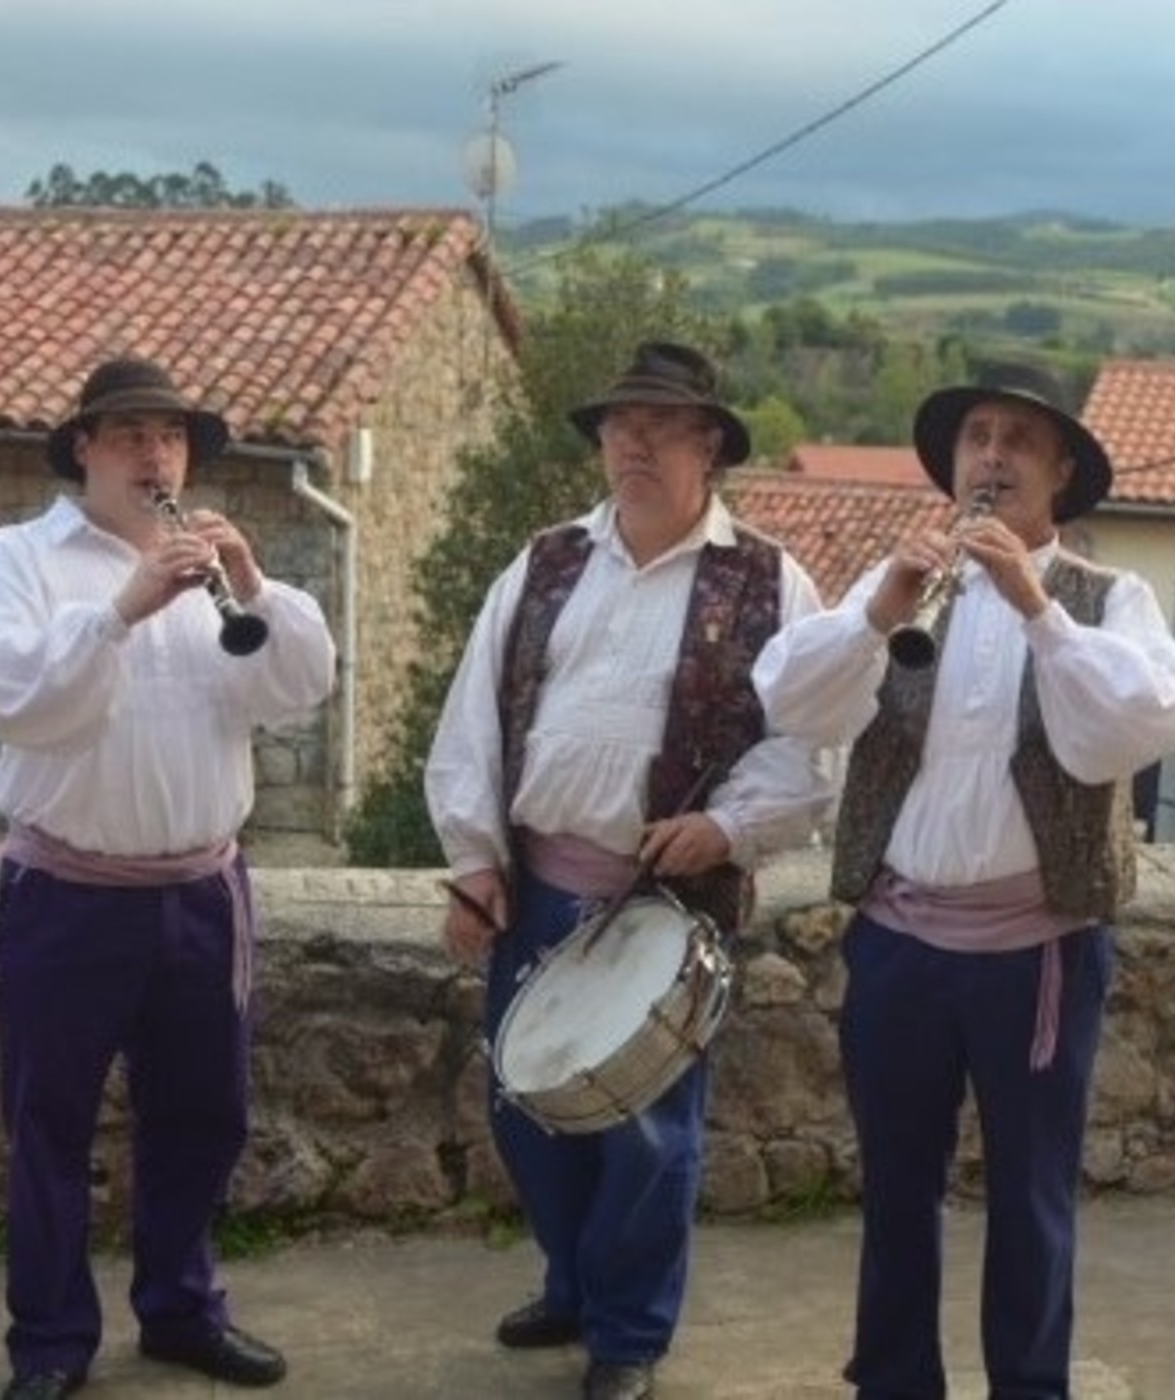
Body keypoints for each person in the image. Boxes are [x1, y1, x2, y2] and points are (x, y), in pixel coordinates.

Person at [752, 364, 1175, 1400]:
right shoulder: (900, 581)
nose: (991, 457)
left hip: (1036, 953)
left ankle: (1028, 1387)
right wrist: (875, 614)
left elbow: (1136, 725)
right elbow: (790, 701)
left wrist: (1036, 609)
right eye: (976, 438)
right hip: (899, 943)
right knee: (896, 1189)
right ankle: (894, 1380)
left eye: (1017, 441)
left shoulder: (1107, 598)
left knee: (1031, 1194)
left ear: (1059, 472)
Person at [424, 341, 829, 1400]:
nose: (634, 444)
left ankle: (629, 1332)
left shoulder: (769, 580)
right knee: (526, 1106)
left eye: (660, 426)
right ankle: (573, 1283)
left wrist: (729, 828)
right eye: (619, 425)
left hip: (670, 902)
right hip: (537, 886)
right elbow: (474, 715)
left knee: (648, 1135)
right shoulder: (545, 561)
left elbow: (805, 743)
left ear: (709, 447)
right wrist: (473, 858)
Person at [0, 356, 337, 1400]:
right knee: (49, 1126)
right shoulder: (19, 559)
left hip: (202, 892)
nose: (154, 455)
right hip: (66, 894)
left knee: (204, 1118)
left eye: (169, 437)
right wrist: (120, 609)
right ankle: (50, 1342)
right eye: (129, 436)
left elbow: (297, 689)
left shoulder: (214, 576)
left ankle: (182, 1310)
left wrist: (252, 584)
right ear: (84, 448)